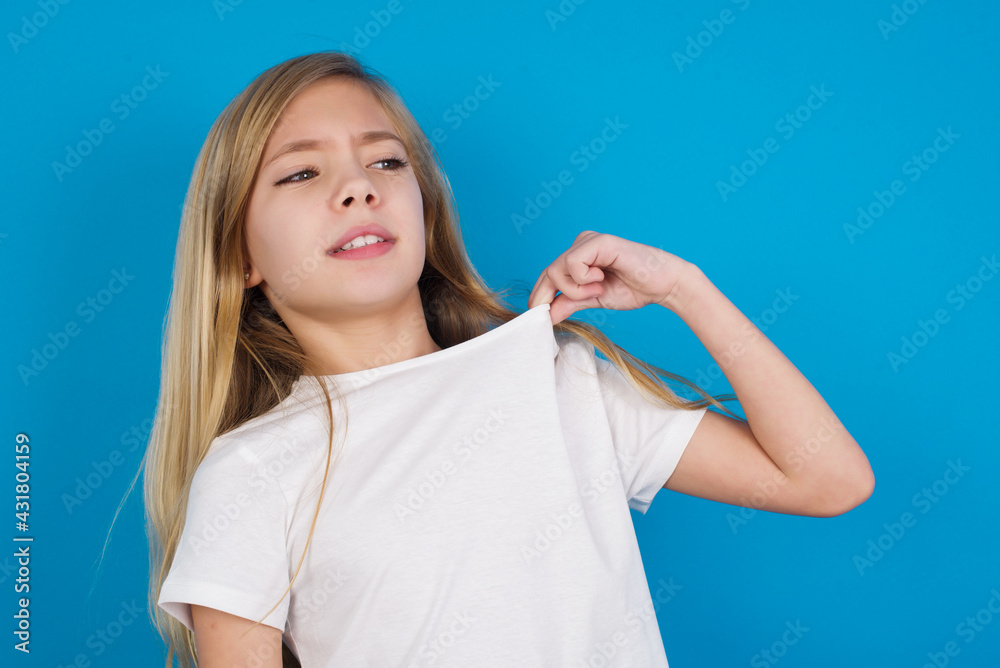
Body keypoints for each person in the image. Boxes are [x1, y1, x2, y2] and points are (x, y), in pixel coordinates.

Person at [143, 50, 875, 667]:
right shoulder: (252, 471)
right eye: (301, 173)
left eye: (386, 161)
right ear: (240, 259)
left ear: (425, 207)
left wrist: (684, 289)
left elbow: (826, 479)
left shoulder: (557, 381)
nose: (358, 187)